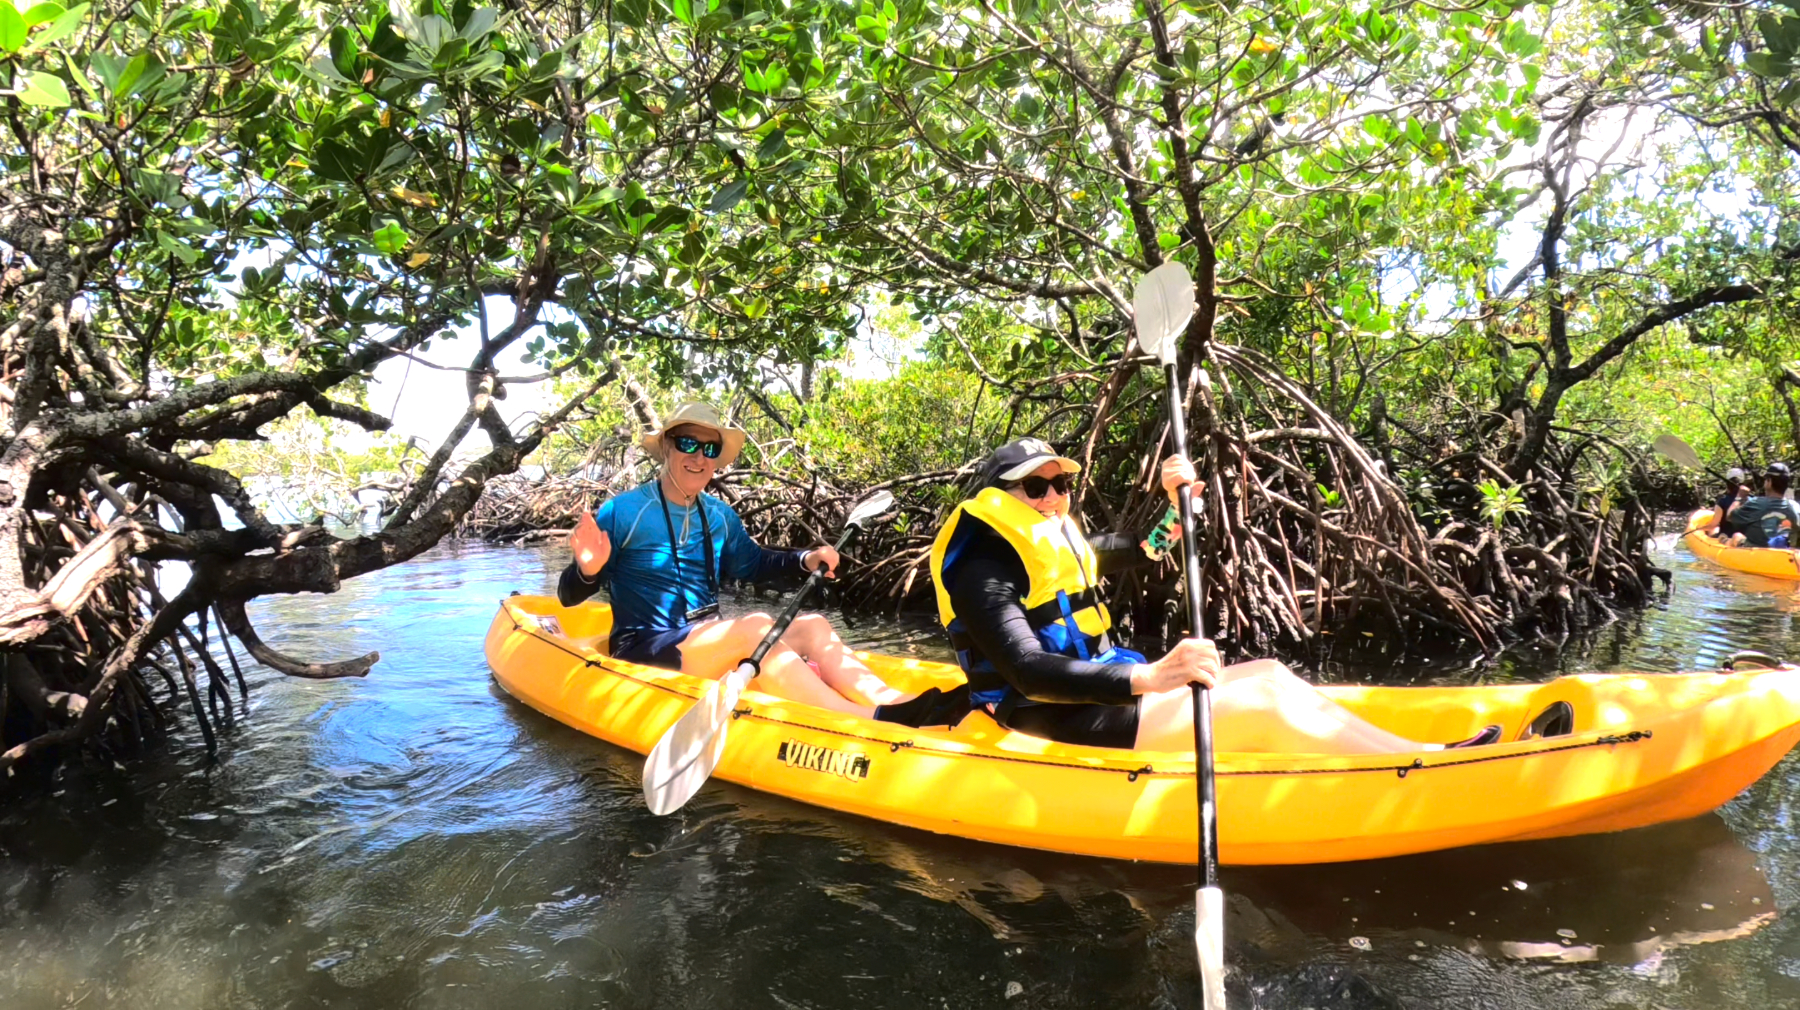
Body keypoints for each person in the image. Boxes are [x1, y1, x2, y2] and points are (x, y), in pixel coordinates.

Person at [912, 437, 1503, 754]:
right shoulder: (981, 561)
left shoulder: (1048, 539)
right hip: (1045, 712)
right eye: (1035, 486)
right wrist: (1151, 678)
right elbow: (1027, 670)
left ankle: (1420, 751)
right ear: (999, 494)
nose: (1052, 496)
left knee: (1269, 670)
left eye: (1061, 482)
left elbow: (1123, 550)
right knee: (1264, 706)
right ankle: (1424, 764)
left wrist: (1173, 516)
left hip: (1094, 691)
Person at [558, 402, 911, 714]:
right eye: (688, 444)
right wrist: (588, 571)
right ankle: (860, 718)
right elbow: (567, 595)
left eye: (709, 448)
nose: (698, 457)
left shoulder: (719, 515)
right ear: (666, 447)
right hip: (644, 650)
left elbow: (754, 564)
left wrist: (805, 559)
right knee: (756, 625)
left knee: (814, 625)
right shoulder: (623, 512)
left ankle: (892, 702)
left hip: (705, 640)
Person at [1724, 462, 1800, 549]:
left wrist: (1739, 497)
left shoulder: (1756, 503)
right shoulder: (1795, 507)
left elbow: (1729, 516)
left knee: (1736, 536)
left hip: (1756, 553)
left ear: (1769, 482)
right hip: (1783, 554)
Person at [1703, 467, 1747, 539]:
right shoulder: (1750, 500)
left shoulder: (1722, 501)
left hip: (1725, 538)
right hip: (1743, 538)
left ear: (1727, 484)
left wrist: (1700, 529)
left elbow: (1713, 525)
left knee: (1712, 532)